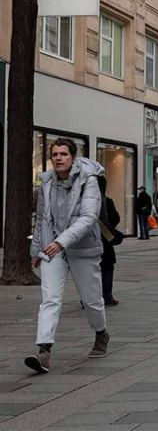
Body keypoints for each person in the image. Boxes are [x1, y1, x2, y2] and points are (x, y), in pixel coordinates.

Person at [25, 138, 110, 374]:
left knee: (91, 300)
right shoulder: (46, 182)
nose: (59, 158)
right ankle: (44, 351)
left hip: (82, 248)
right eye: (55, 154)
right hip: (52, 247)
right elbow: (41, 219)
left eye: (63, 154)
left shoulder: (88, 180)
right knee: (50, 299)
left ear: (73, 157)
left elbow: (89, 217)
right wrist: (36, 250)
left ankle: (101, 333)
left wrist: (61, 242)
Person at [97, 175, 123, 307]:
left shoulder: (82, 202)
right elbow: (115, 218)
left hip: (88, 242)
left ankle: (88, 298)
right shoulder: (107, 201)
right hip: (105, 241)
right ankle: (107, 296)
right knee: (107, 268)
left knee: (89, 271)